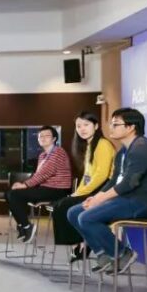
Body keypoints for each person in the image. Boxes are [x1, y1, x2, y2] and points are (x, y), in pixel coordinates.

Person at [68, 108, 147, 275]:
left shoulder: (142, 148)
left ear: (131, 127)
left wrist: (101, 200)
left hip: (140, 202)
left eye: (115, 124)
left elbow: (129, 183)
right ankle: (104, 255)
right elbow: (115, 180)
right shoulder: (123, 151)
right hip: (124, 199)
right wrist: (95, 197)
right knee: (74, 212)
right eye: (111, 124)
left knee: (87, 217)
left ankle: (122, 253)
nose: (111, 128)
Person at [51, 111, 116, 261]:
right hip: (93, 187)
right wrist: (77, 192)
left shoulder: (103, 144)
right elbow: (87, 177)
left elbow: (102, 175)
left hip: (104, 189)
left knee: (63, 206)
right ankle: (80, 243)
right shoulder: (89, 146)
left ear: (96, 126)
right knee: (61, 204)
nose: (82, 129)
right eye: (78, 126)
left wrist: (80, 194)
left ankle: (80, 243)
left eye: (86, 125)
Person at [5, 125, 73, 242]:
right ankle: (23, 225)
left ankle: (26, 226)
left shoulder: (58, 152)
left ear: (54, 139)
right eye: (40, 136)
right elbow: (38, 174)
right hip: (46, 188)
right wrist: (23, 185)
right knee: (9, 194)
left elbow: (45, 173)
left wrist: (25, 185)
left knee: (14, 194)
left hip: (58, 190)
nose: (43, 138)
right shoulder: (43, 155)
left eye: (47, 136)